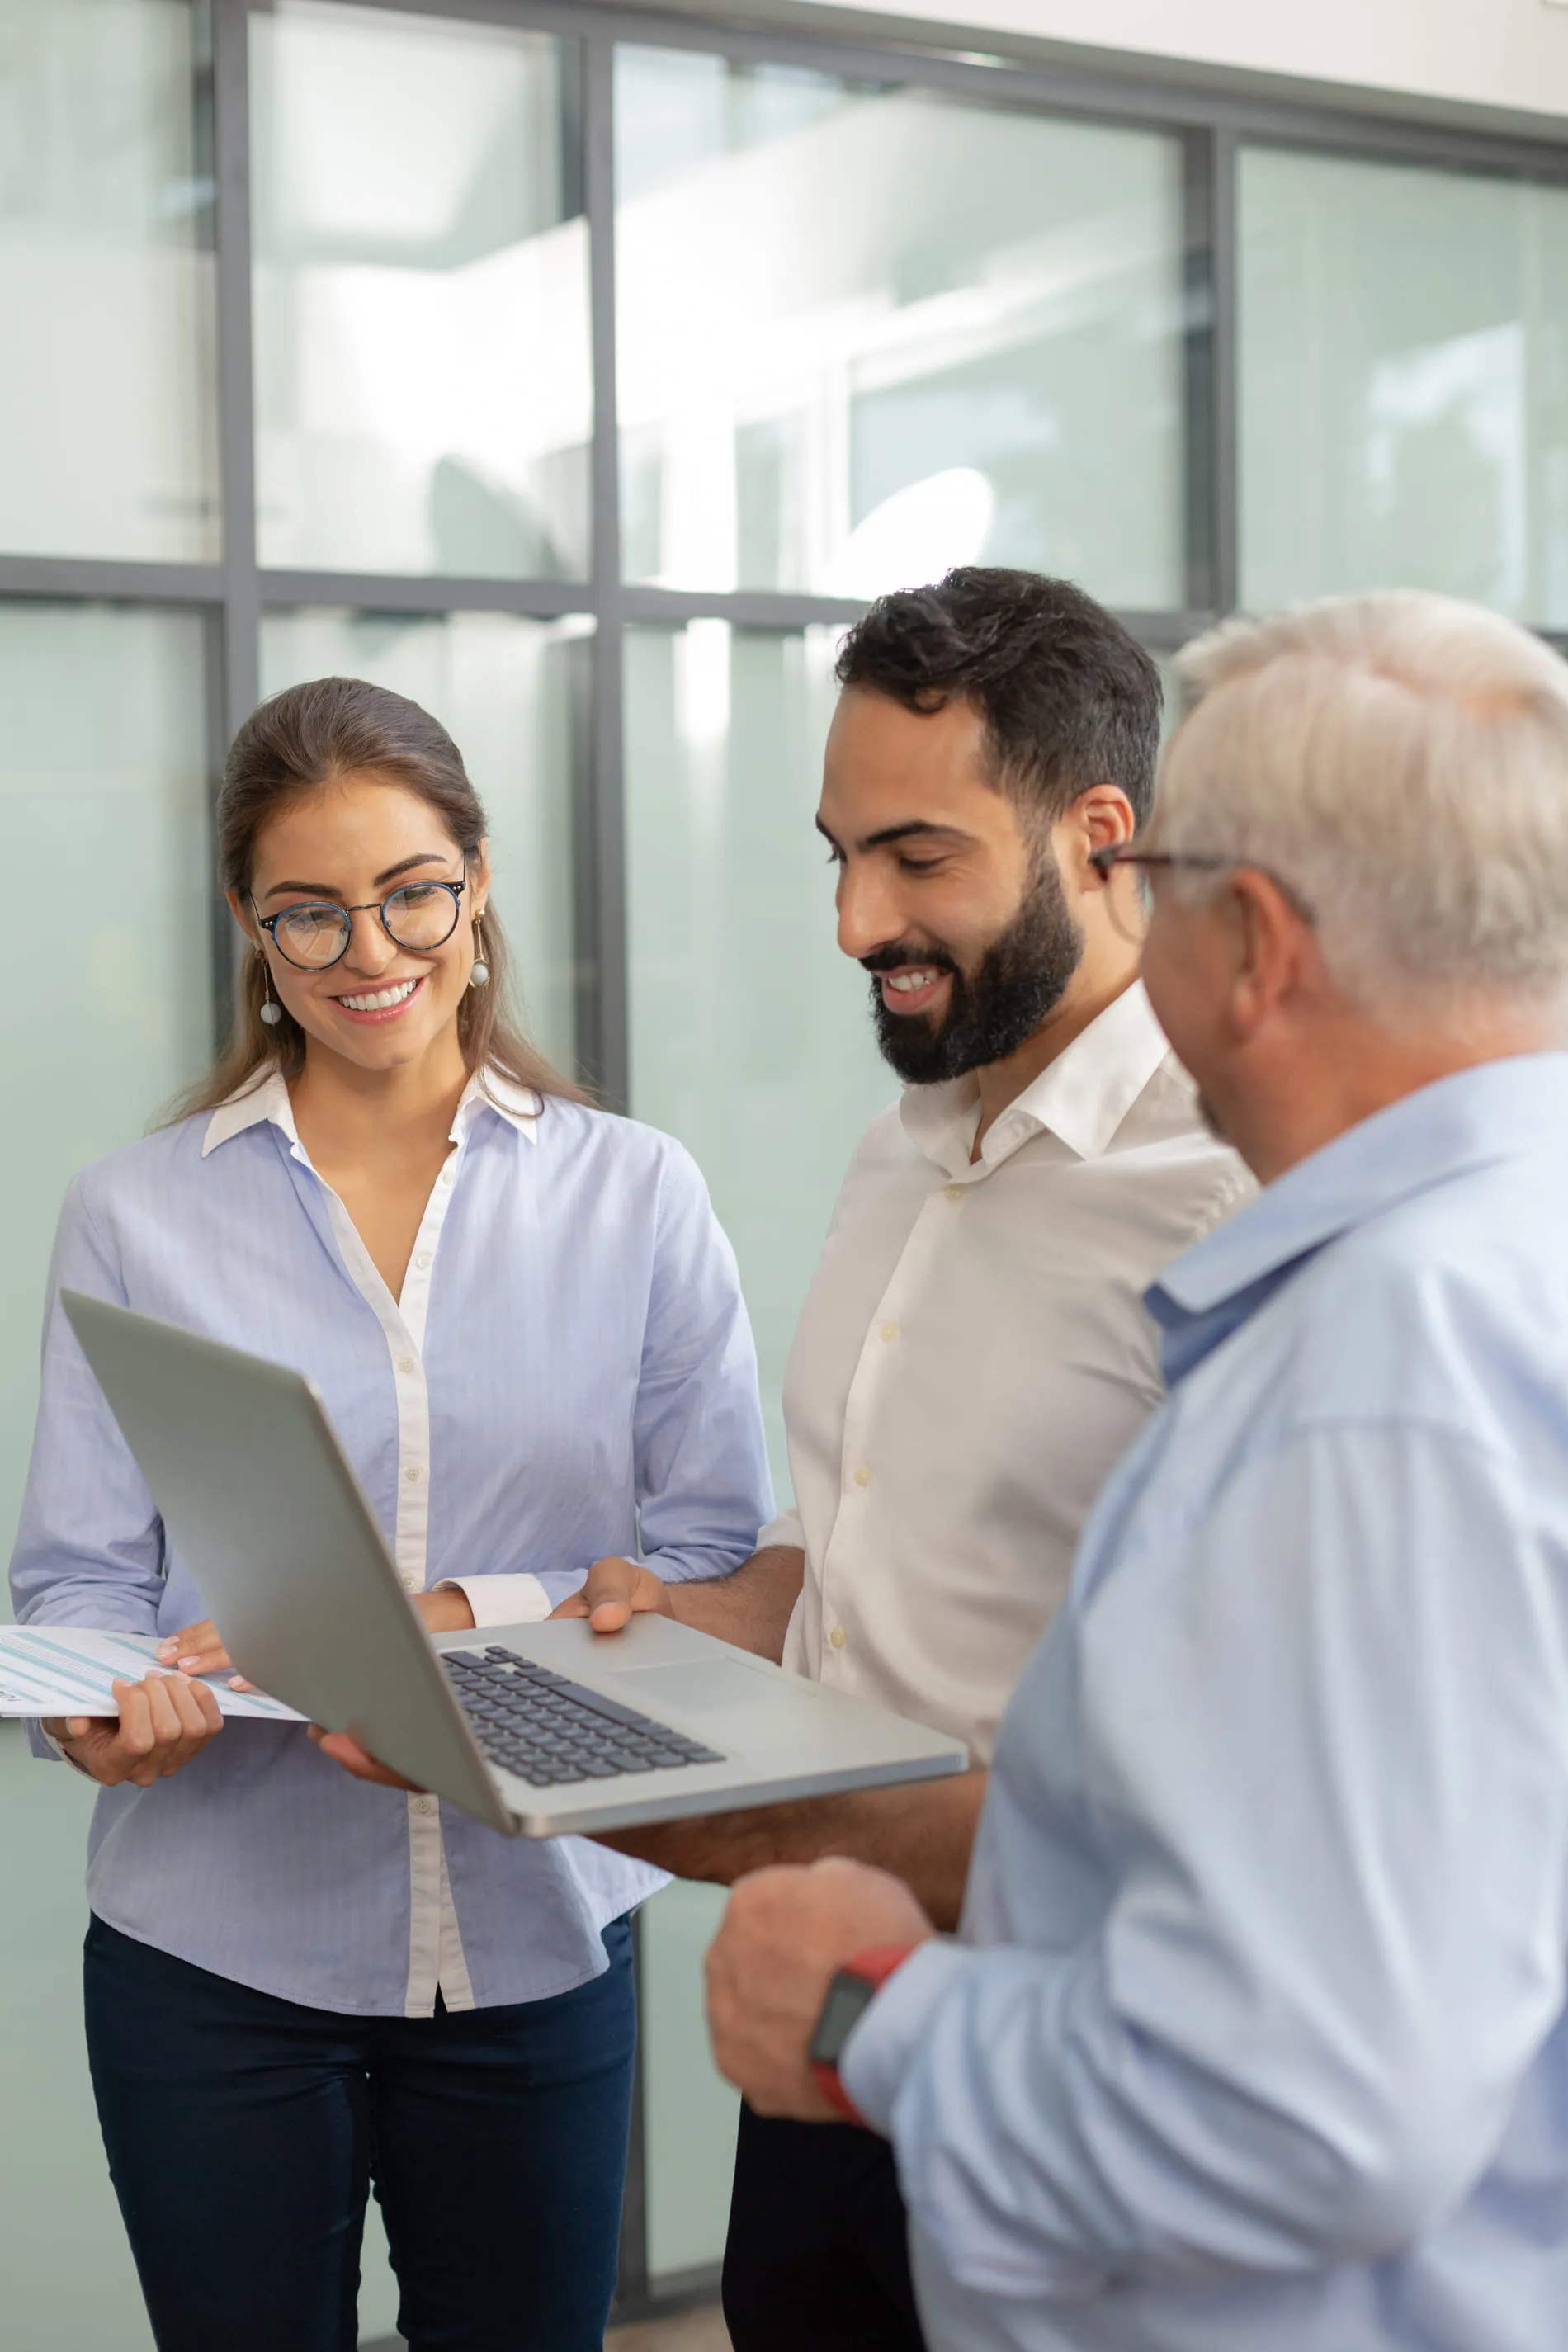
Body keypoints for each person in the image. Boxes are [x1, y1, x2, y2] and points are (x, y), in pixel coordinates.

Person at [704, 589, 1568, 2352]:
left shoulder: (1370, 1362)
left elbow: (1309, 2107)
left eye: (1157, 881)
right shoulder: (1497, 1255)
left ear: (1244, 940)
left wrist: (872, 2012)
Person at [10, 677, 772, 2352]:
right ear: (248, 924)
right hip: (211, 1952)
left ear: (477, 880)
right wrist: (104, 1723)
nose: (370, 952)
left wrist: (468, 1617)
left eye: (411, 891)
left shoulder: (633, 1195)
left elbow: (729, 1569)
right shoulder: (137, 1214)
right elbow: (73, 1580)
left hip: (533, 1938)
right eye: (310, 912)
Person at [555, 569, 1249, 2352]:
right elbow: (859, 1532)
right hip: (818, 2040)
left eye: (916, 856)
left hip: (1069, 2071)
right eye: (835, 853)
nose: (857, 917)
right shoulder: (902, 1143)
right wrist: (707, 1615)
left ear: (1099, 836)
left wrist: (740, 1813)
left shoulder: (1230, 1187)